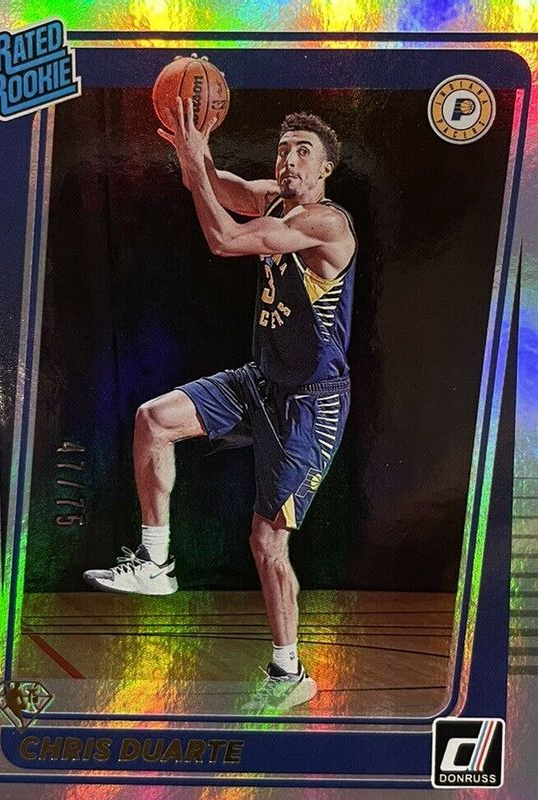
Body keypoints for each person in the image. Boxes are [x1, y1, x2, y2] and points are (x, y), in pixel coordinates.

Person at [84, 99, 357, 712]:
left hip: (309, 406)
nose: (288, 160)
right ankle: (156, 561)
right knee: (153, 419)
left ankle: (288, 672)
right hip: (261, 381)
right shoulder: (276, 200)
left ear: (325, 169)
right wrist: (195, 152)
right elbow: (220, 188)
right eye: (283, 150)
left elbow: (225, 237)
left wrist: (196, 166)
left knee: (267, 541)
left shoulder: (327, 225)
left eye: (303, 152)